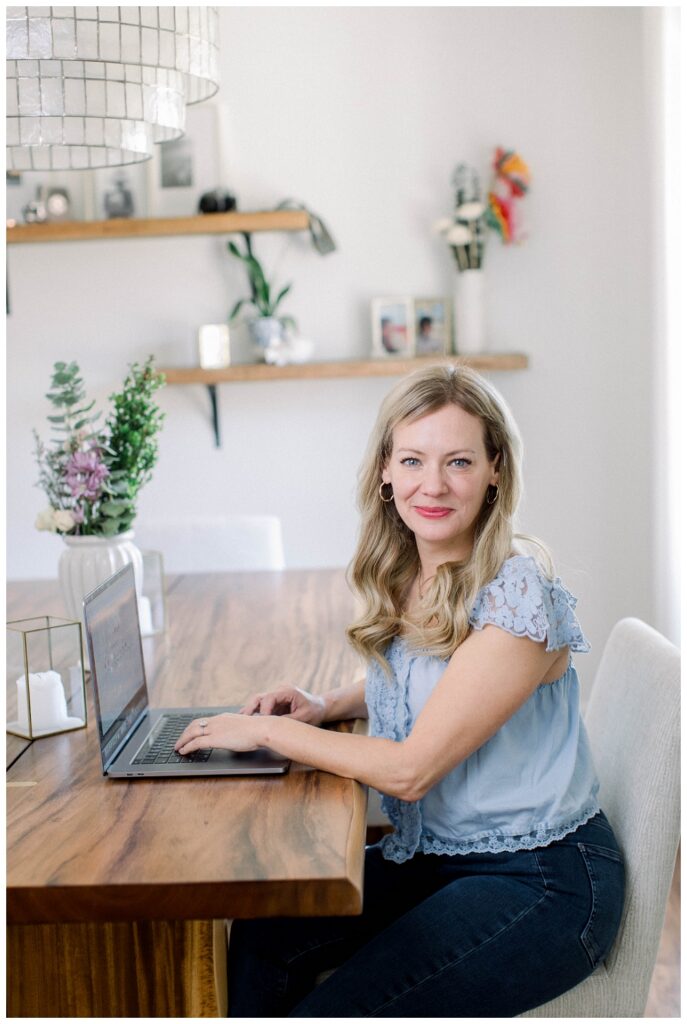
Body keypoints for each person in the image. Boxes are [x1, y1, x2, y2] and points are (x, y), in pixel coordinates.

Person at [176, 364, 625, 1017]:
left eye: (459, 461)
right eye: (412, 459)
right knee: (264, 935)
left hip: (542, 880)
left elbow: (410, 770)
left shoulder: (516, 591)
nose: (432, 484)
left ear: (496, 468)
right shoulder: (415, 571)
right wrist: (323, 704)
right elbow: (436, 682)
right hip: (439, 856)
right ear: (385, 469)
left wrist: (272, 732)